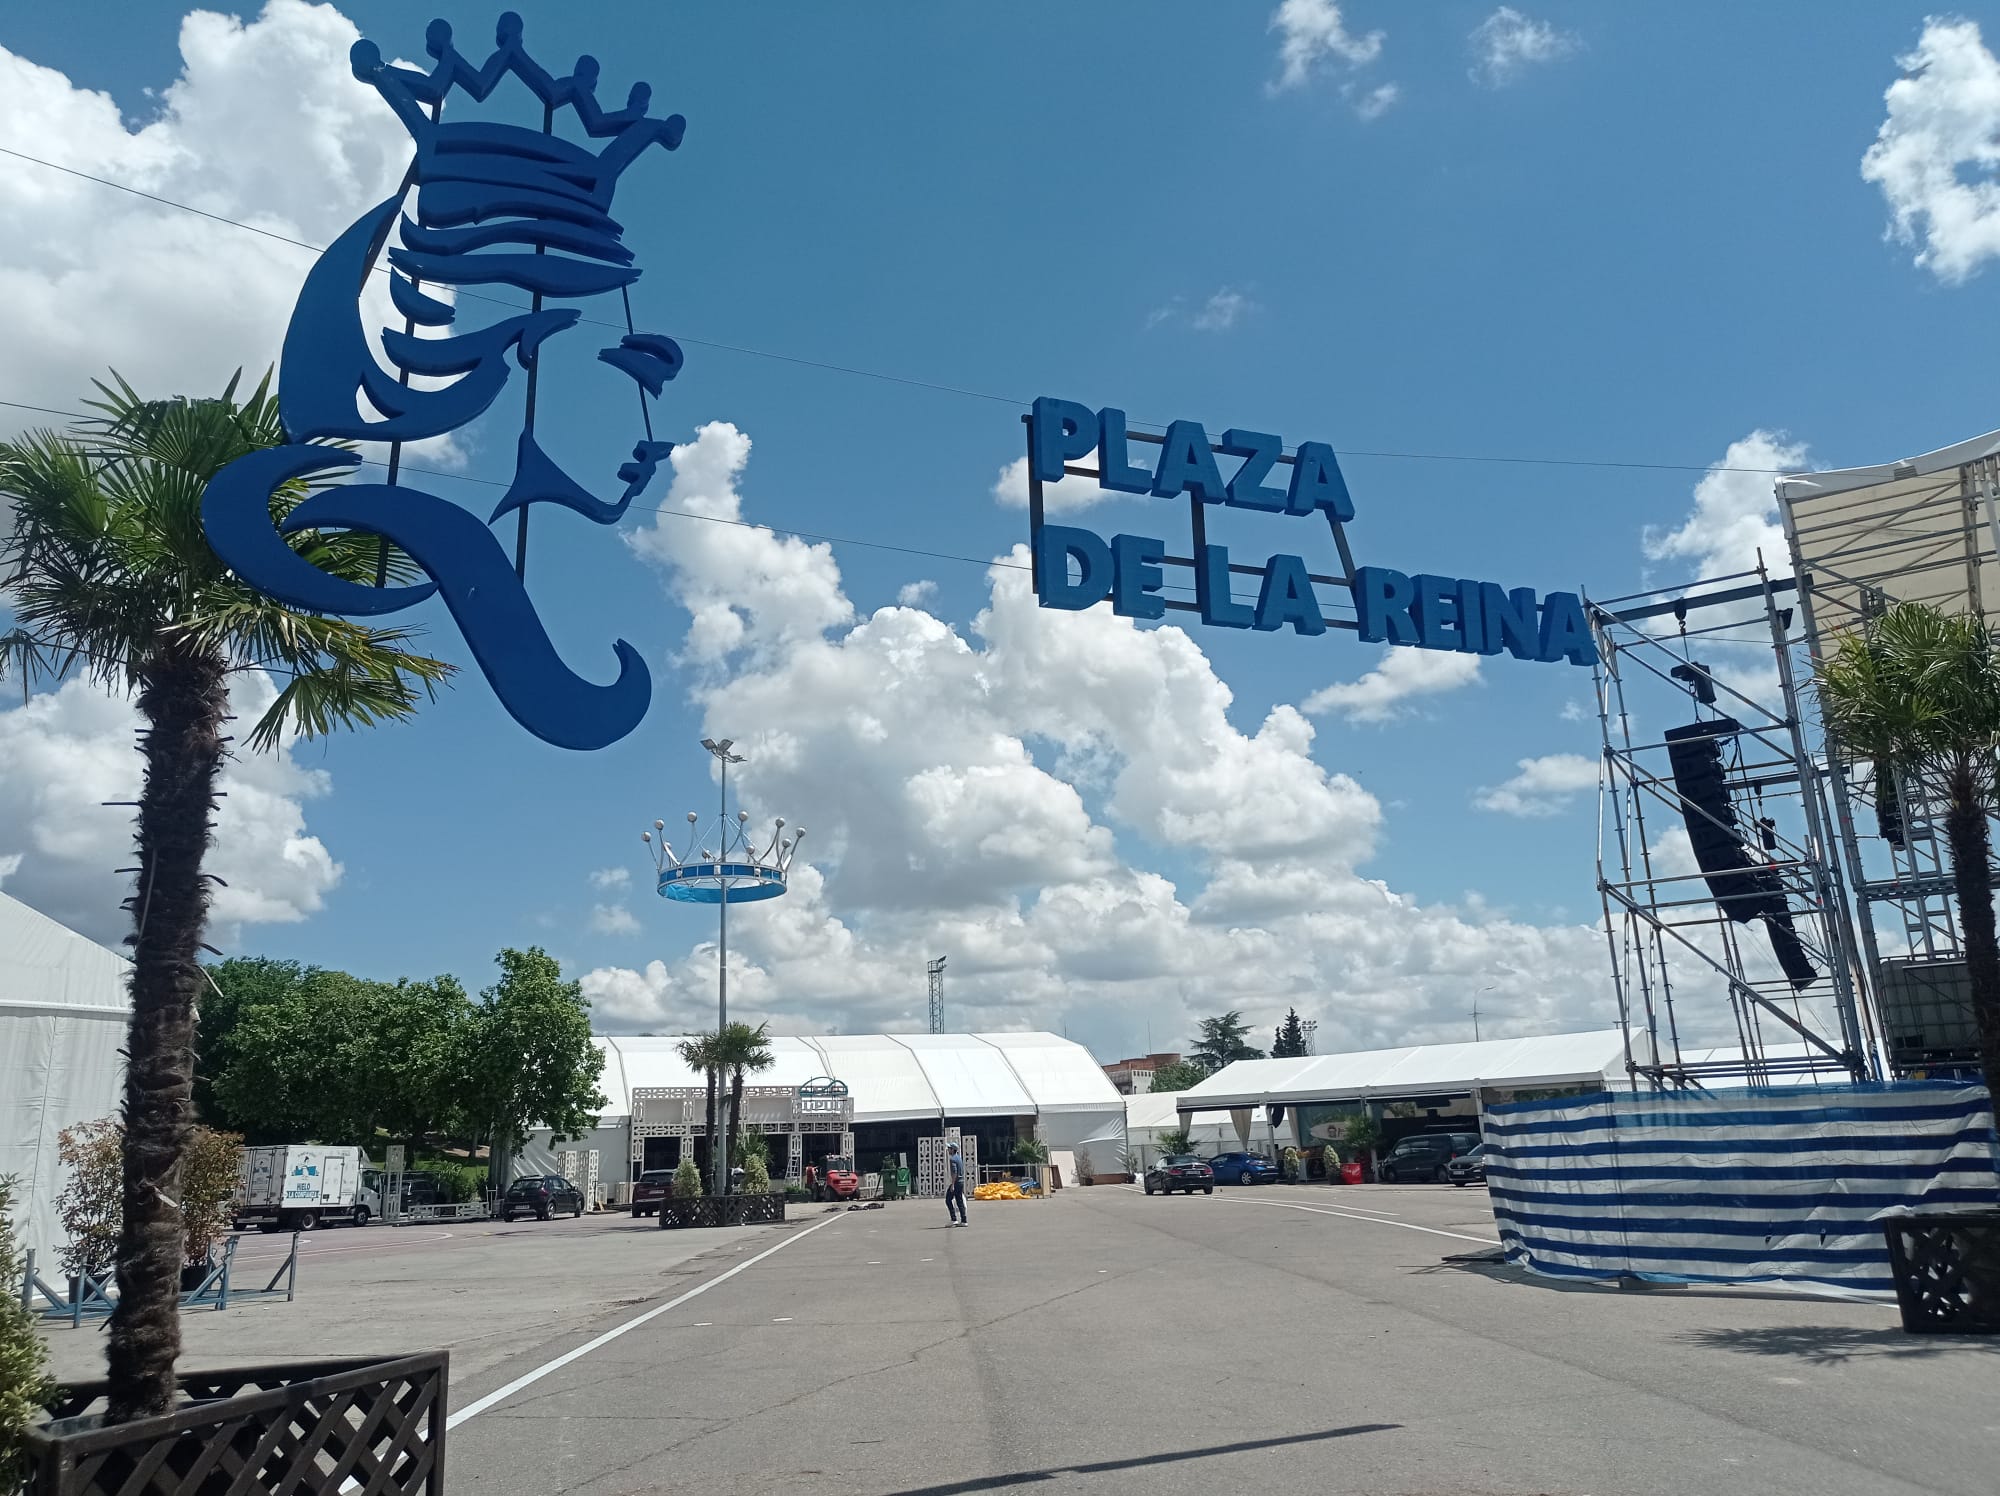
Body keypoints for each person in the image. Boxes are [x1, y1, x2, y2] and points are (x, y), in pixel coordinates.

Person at [945, 1142, 968, 1226]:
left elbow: (954, 1172)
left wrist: (953, 1184)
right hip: (961, 1181)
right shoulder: (959, 1158)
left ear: (953, 1150)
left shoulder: (952, 1159)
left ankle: (954, 1219)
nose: (948, 1150)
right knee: (959, 1201)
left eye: (949, 1149)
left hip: (956, 1182)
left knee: (948, 1200)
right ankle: (964, 1220)